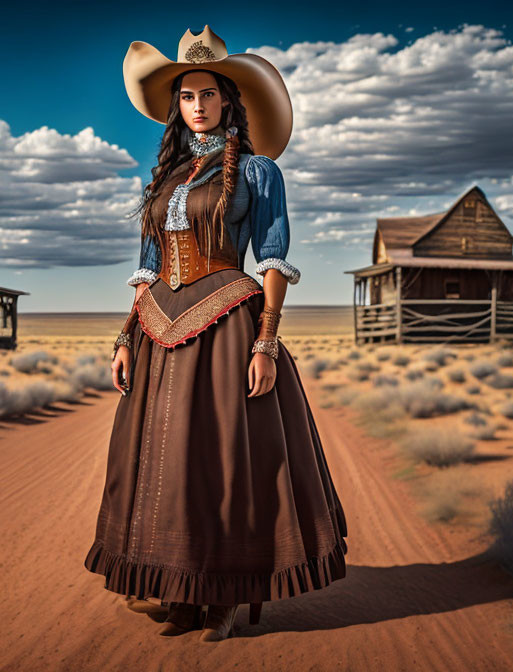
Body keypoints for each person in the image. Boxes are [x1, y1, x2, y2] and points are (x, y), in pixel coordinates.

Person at [83, 25, 348, 642]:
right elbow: (147, 270)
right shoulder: (166, 177)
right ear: (176, 107)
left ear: (228, 99)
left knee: (228, 460)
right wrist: (126, 337)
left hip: (228, 319)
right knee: (168, 463)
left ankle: (229, 592)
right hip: (160, 328)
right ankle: (182, 591)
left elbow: (274, 258)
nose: (197, 105)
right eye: (185, 96)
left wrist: (266, 342)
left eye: (207, 93)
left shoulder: (257, 172)